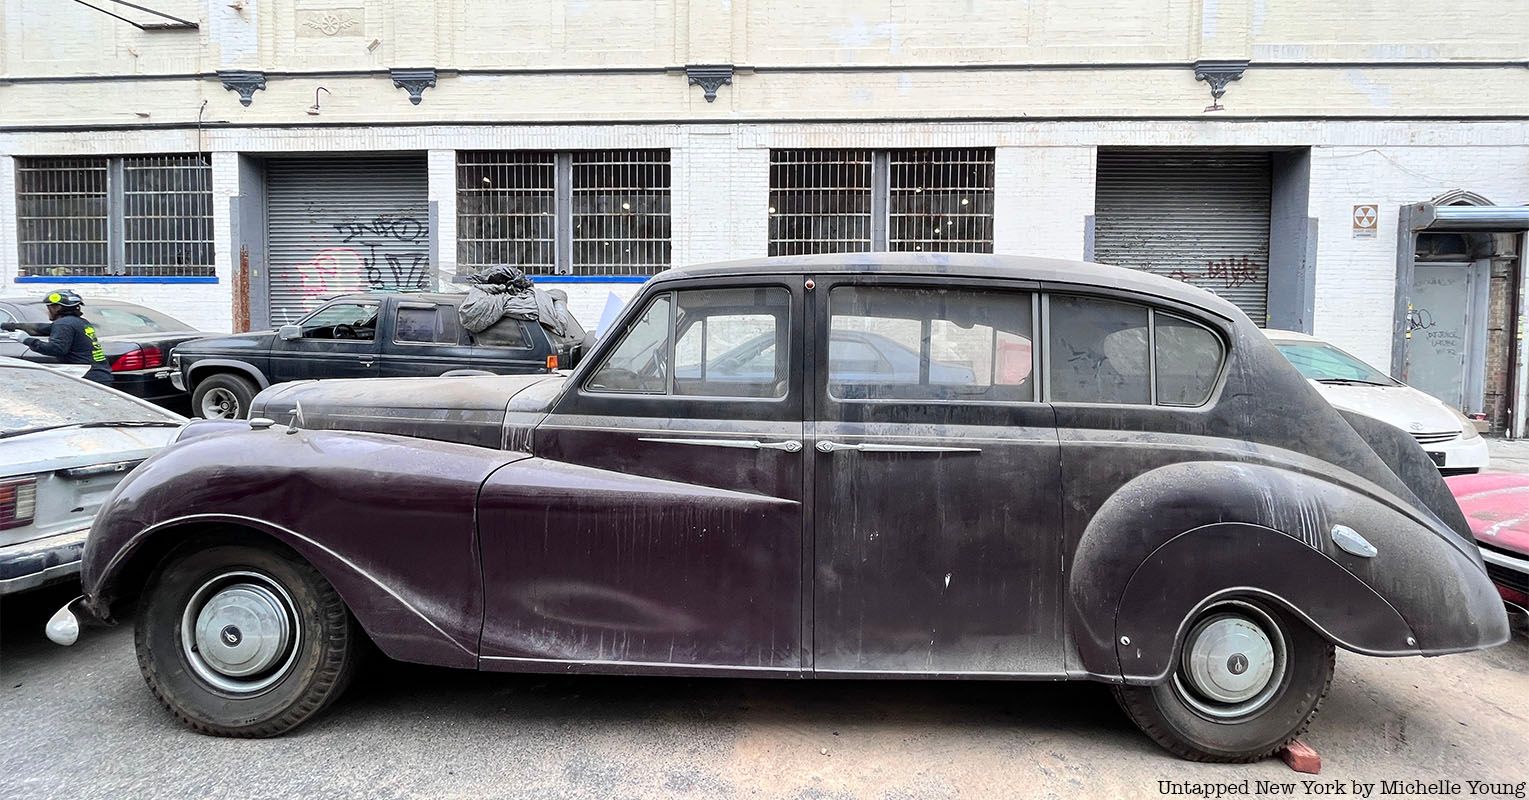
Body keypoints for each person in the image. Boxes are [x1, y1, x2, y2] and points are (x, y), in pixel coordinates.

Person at [2, 290, 113, 385]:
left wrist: (27, 340)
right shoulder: (79, 322)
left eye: (49, 307)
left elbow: (56, 349)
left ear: (57, 307)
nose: (47, 310)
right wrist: (8, 326)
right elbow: (40, 328)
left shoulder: (64, 324)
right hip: (99, 373)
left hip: (87, 375)